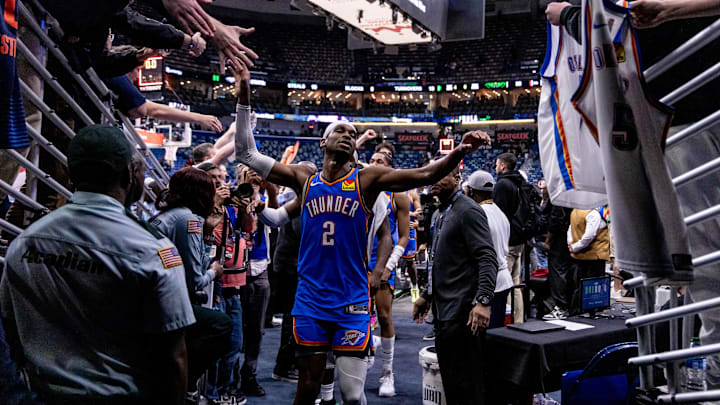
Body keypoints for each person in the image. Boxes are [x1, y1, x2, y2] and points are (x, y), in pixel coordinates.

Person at [230, 62, 489, 405]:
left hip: (351, 299)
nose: (349, 134)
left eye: (353, 133)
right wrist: (245, 92)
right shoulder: (305, 180)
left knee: (352, 395)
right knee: (307, 388)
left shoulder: (367, 180)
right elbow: (247, 152)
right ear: (323, 141)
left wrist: (458, 151)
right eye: (342, 130)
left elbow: (423, 175)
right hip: (310, 299)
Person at [0, 125, 194, 404]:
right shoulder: (155, 249)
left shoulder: (26, 242)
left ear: (71, 174)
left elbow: (10, 328)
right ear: (129, 174)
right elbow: (174, 356)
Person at [413, 162, 498, 405]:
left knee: (467, 384)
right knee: (452, 381)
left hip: (462, 313)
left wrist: (483, 301)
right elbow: (441, 260)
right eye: (433, 174)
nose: (434, 178)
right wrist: (427, 295)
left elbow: (487, 257)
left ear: (457, 177)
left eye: (442, 174)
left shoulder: (467, 211)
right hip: (444, 312)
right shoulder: (440, 213)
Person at [151, 168, 234, 392]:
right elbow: (195, 280)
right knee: (221, 325)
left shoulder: (170, 215)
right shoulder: (188, 219)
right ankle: (183, 383)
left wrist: (207, 232)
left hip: (153, 296)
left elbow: (189, 262)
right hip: (163, 303)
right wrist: (215, 272)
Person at [366, 151, 410, 397]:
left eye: (380, 162)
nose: (374, 165)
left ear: (389, 168)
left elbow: (402, 236)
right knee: (355, 318)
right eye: (371, 161)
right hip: (358, 262)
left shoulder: (399, 195)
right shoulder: (360, 189)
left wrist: (389, 266)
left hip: (383, 262)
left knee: (384, 315)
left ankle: (387, 373)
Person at [466, 170, 513, 329]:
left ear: (471, 191)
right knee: (496, 335)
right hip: (503, 279)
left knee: (481, 338)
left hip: (486, 283)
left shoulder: (477, 214)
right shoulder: (500, 213)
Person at [492, 152, 525, 323]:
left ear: (503, 166)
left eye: (497, 164)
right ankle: (518, 321)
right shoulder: (520, 182)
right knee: (515, 283)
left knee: (503, 283)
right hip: (520, 237)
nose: (496, 167)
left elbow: (499, 214)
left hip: (508, 240)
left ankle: (504, 322)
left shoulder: (502, 184)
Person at [567, 207, 610, 314]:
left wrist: (571, 245)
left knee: (579, 285)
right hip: (594, 256)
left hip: (578, 255)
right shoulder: (593, 214)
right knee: (593, 286)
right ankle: (591, 309)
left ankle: (577, 310)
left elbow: (570, 230)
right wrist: (576, 246)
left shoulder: (575, 211)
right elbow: (589, 236)